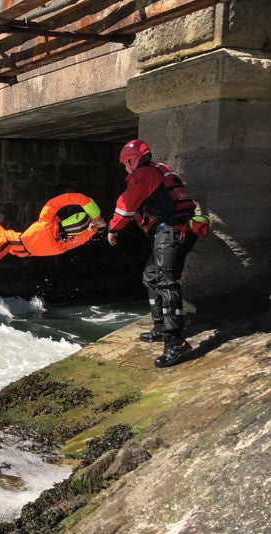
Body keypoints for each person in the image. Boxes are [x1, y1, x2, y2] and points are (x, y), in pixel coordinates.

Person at [107, 140, 197, 368]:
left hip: (170, 231)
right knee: (151, 277)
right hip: (174, 230)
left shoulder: (145, 174)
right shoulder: (159, 170)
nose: (125, 169)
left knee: (167, 283)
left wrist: (113, 228)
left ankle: (176, 343)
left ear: (132, 160)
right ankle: (161, 328)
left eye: (125, 164)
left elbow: (126, 205)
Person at [0, 192, 106, 274]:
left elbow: (59, 201)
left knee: (5, 240)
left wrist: (84, 201)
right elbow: (81, 239)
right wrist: (92, 229)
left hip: (20, 244)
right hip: (23, 249)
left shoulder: (47, 221)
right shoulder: (62, 245)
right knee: (4, 236)